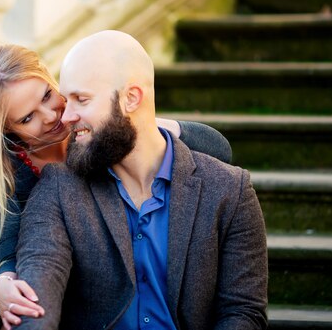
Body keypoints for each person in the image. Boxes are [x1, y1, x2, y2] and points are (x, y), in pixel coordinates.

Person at [0, 44, 233, 330]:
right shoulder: (8, 173)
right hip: (39, 285)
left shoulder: (91, 130)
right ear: (6, 130)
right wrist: (4, 282)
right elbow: (8, 253)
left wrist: (145, 124)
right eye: (27, 118)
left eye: (48, 95)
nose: (49, 116)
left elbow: (219, 150)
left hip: (101, 284)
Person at [14, 31, 268, 330]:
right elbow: (36, 302)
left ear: (131, 98)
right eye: (65, 99)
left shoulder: (230, 191)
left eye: (81, 99)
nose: (65, 117)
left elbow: (243, 314)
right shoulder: (58, 188)